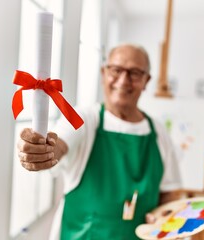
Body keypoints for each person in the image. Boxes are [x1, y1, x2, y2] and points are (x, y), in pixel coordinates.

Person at [17, 43, 182, 240]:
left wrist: (164, 218)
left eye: (135, 73)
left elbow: (170, 194)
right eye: (116, 70)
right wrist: (43, 150)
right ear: (103, 73)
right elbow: (59, 144)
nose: (123, 80)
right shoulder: (85, 119)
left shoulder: (159, 133)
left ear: (146, 80)